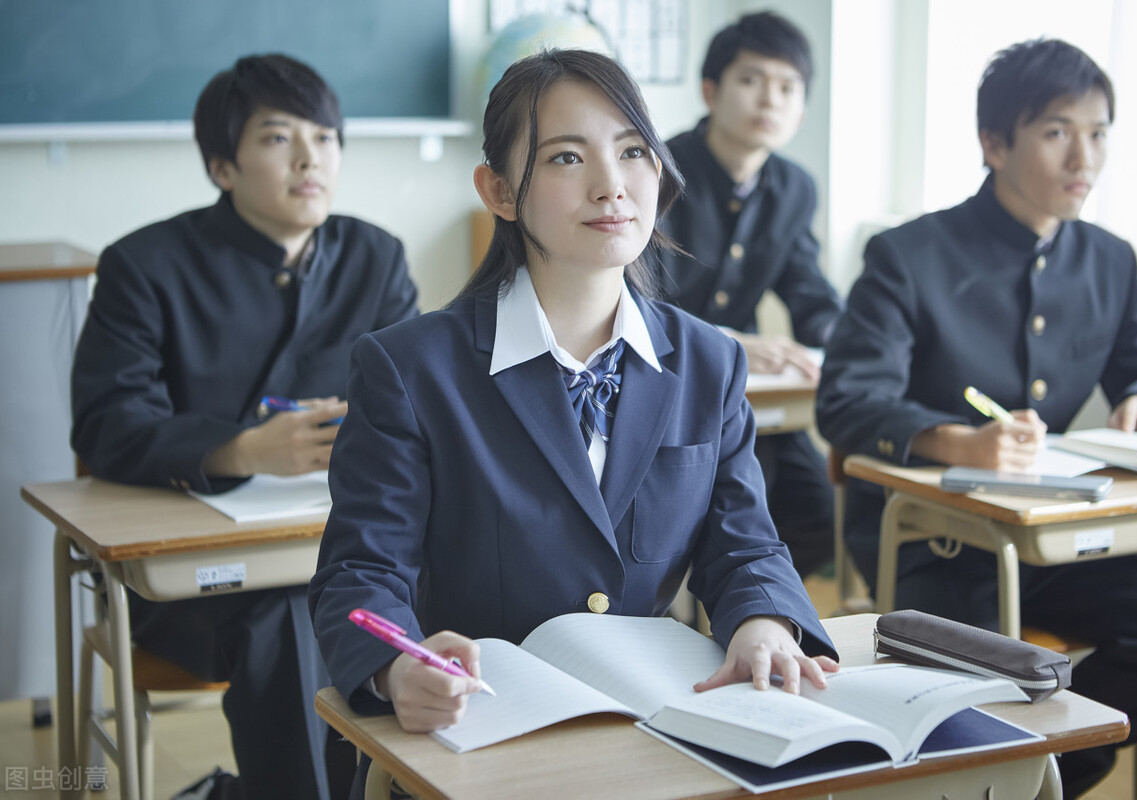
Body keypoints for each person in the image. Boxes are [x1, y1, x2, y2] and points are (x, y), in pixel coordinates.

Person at [308, 48, 839, 793]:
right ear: (498, 191)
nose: (612, 186)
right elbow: (361, 574)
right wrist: (399, 667)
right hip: (480, 739)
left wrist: (763, 623)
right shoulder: (410, 368)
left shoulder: (709, 362)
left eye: (633, 152)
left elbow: (745, 544)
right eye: (565, 157)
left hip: (655, 734)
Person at [816, 38, 1137, 797]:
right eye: (1058, 132)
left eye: (1098, 133)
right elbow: (847, 402)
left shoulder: (1110, 260)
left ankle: (1029, 780)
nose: (1082, 156)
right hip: (932, 541)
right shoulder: (907, 255)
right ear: (994, 144)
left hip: (1056, 541)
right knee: (981, 685)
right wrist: (955, 439)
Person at [71, 54, 419, 800]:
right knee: (293, 612)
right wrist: (236, 449)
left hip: (350, 548)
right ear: (222, 166)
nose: (310, 158)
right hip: (195, 583)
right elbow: (105, 424)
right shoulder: (144, 266)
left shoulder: (376, 256)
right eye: (277, 138)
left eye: (325, 137)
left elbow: (418, 404)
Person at [655, 11, 842, 577]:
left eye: (788, 88)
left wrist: (852, 344)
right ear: (710, 90)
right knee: (725, 505)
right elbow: (628, 301)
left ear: (802, 110)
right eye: (751, 80)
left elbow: (808, 291)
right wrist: (730, 340)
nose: (770, 100)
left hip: (745, 394)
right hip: (663, 385)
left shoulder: (793, 188)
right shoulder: (656, 171)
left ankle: (765, 626)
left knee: (814, 512)